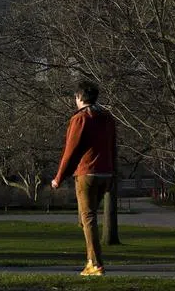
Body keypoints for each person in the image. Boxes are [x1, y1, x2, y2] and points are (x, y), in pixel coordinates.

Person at [51, 79, 117, 277]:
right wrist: (114, 173)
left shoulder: (80, 118)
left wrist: (58, 178)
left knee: (88, 218)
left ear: (79, 97)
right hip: (106, 173)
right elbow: (113, 146)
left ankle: (95, 263)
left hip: (87, 173)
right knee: (85, 218)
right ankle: (90, 261)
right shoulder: (107, 117)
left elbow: (70, 151)